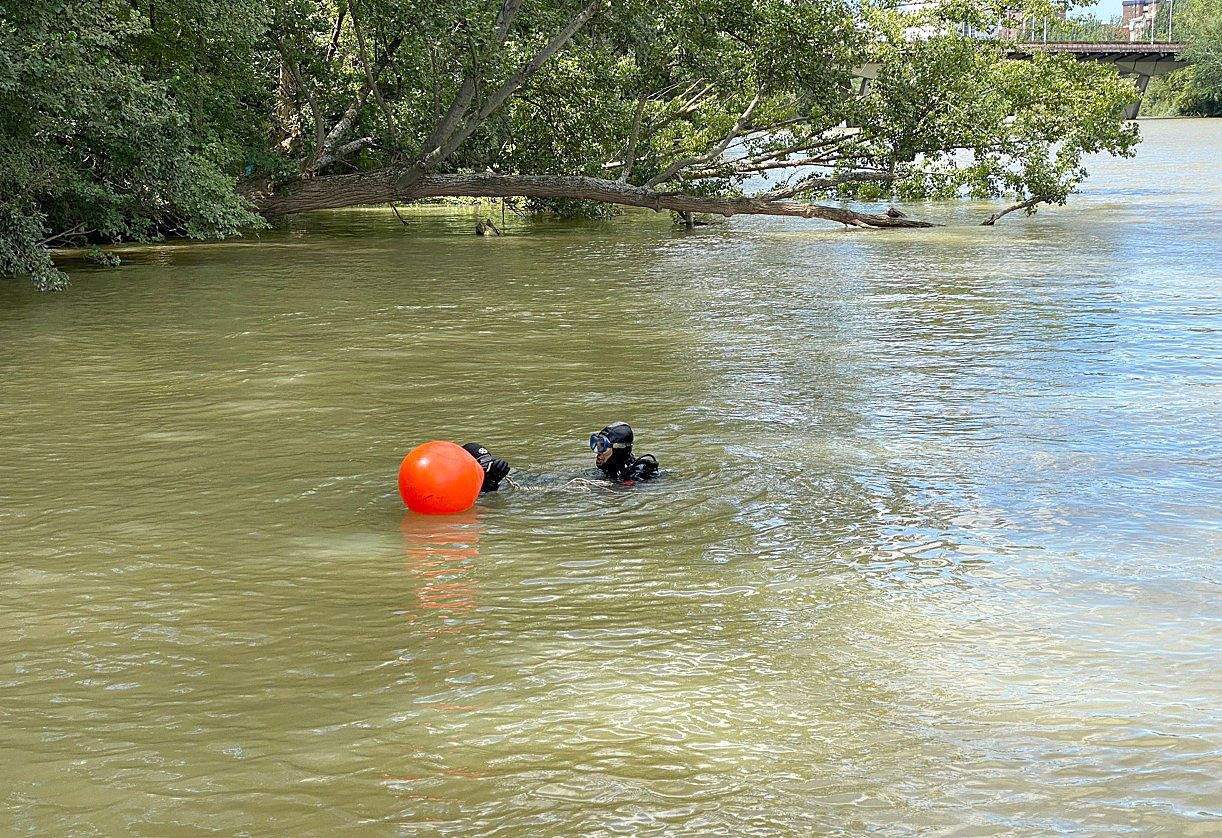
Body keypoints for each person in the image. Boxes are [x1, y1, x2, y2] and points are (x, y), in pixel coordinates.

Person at [589, 422, 659, 483]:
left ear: (618, 450)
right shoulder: (609, 469)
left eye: (603, 448)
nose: (598, 453)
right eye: (597, 446)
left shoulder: (637, 476)